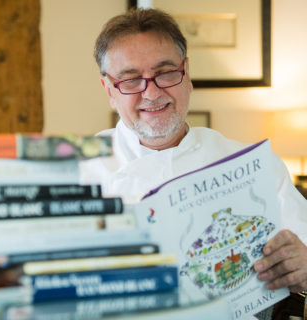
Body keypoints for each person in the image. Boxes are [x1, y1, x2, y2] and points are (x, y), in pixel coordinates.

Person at [80, 7, 307, 306]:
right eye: (131, 80)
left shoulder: (255, 165)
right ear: (109, 89)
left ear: (187, 73)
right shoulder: (77, 171)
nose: (151, 93)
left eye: (165, 73)